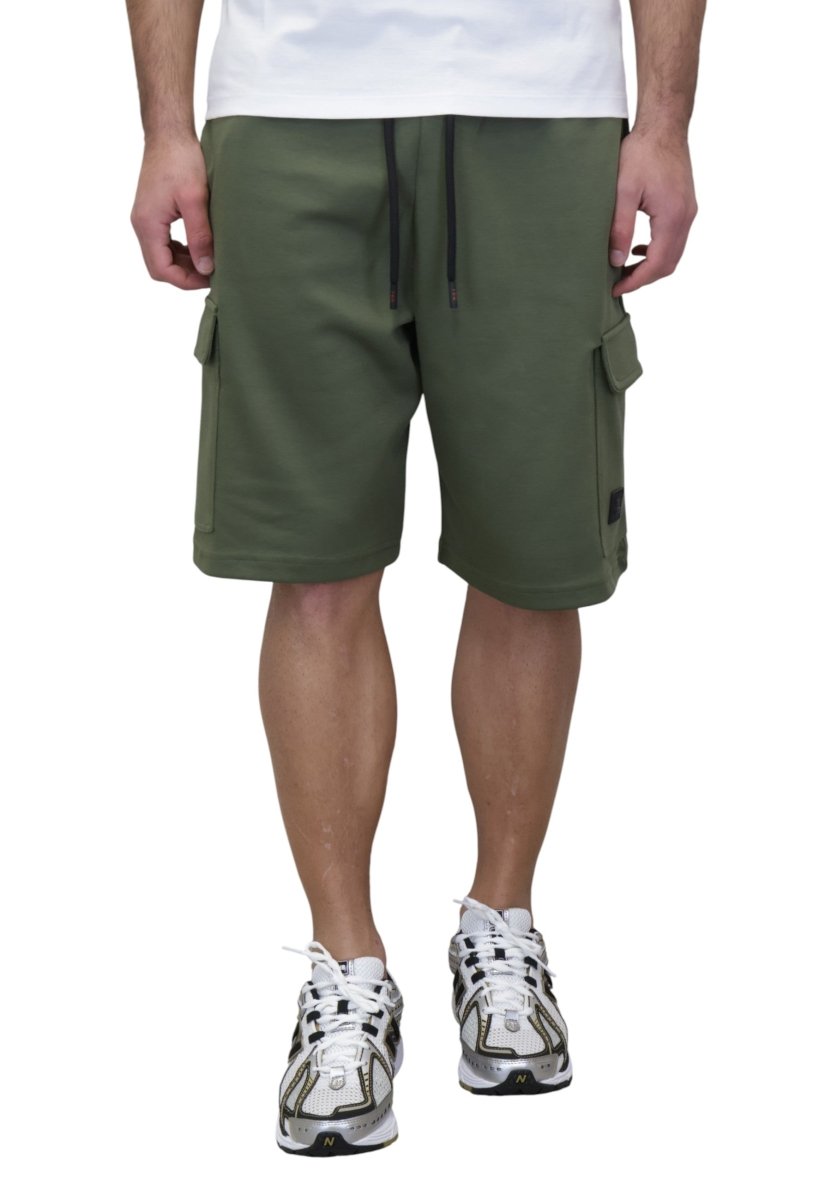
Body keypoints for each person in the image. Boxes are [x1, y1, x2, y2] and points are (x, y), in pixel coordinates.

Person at [127, 0, 704, 1157]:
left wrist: (665, 124)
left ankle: (502, 927)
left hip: (542, 106)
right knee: (316, 567)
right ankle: (346, 971)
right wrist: (165, 128)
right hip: (290, 106)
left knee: (532, 560)